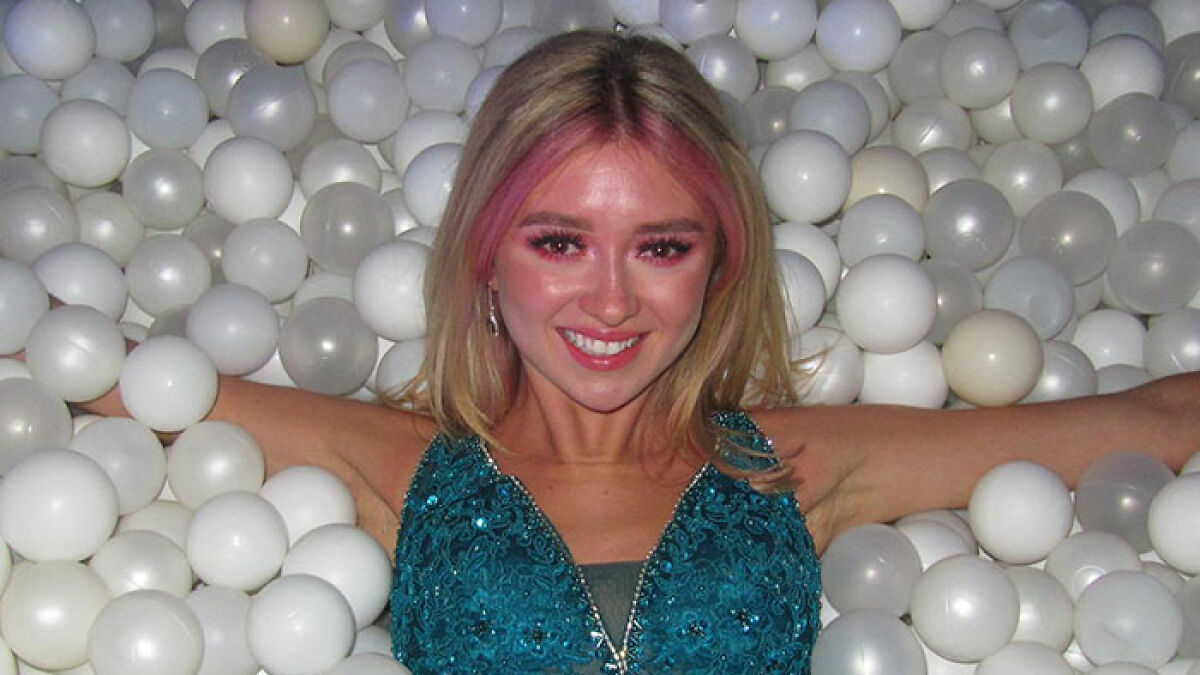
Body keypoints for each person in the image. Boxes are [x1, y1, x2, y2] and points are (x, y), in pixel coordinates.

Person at [87, 30, 1199, 674]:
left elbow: (1147, 426)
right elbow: (95, 383)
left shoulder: (789, 465)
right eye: (559, 240)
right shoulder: (406, 468)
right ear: (484, 249)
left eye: (660, 245)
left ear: (719, 262)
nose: (610, 301)